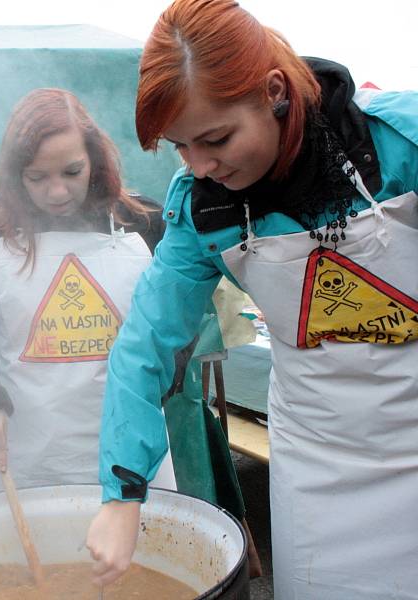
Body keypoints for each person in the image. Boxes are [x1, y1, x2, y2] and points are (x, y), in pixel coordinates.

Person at [86, 1, 418, 598]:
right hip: (320, 459)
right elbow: (145, 342)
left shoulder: (400, 141)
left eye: (215, 139)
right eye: (180, 147)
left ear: (272, 91)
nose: (201, 166)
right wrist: (123, 490)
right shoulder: (201, 209)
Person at [0, 88, 179, 490]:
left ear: (95, 160)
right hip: (33, 461)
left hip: (138, 455)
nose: (57, 192)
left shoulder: (143, 222)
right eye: (37, 177)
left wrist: (156, 381)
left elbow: (179, 318)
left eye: (72, 172)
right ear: (15, 173)